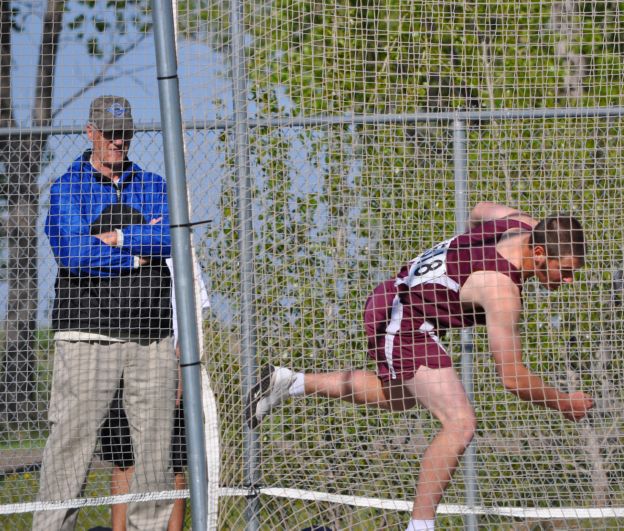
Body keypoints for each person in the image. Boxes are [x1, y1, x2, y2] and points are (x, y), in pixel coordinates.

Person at [246, 201, 595, 531]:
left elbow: (480, 210)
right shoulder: (502, 290)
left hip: (398, 303)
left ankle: (288, 382)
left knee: (402, 396)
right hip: (406, 320)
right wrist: (563, 402)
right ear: (537, 253)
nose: (568, 281)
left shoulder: (520, 224)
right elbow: (512, 377)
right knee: (459, 423)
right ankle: (420, 526)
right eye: (564, 271)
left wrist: (459, 264)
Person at [35, 95, 177, 530]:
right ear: (90, 132)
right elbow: (74, 254)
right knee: (70, 445)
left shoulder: (153, 185)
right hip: (87, 336)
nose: (119, 141)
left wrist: (114, 237)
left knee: (155, 454)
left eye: (125, 134)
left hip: (151, 337)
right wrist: (135, 253)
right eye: (110, 134)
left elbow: (171, 238)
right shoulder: (67, 188)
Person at [100, 259, 210, 531]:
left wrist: (182, 372)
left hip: (166, 363)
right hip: (122, 356)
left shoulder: (179, 252)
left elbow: (193, 315)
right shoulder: (120, 243)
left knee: (171, 461)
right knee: (124, 457)